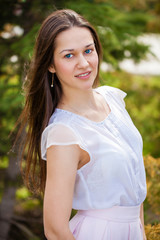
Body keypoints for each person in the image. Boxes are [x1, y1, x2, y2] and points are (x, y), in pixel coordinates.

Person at [17, 9, 147, 240]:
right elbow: (55, 230)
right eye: (69, 55)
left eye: (88, 50)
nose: (84, 63)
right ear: (51, 65)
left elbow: (135, 191)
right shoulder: (64, 133)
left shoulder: (113, 100)